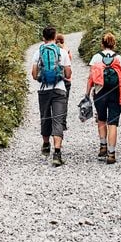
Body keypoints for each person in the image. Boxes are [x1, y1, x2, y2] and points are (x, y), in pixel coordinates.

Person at [32, 25, 72, 167]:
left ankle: (45, 144)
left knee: (45, 116)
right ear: (55, 37)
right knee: (58, 120)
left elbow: (34, 75)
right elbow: (68, 74)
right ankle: (57, 154)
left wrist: (42, 78)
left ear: (43, 38)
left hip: (44, 90)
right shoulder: (62, 52)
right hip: (59, 89)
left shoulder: (38, 52)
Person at [86, 32, 121, 165]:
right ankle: (111, 154)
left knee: (102, 119)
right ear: (113, 44)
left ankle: (103, 146)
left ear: (102, 44)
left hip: (100, 91)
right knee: (113, 123)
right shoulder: (119, 58)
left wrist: (87, 94)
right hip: (115, 92)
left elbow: (91, 78)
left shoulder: (96, 57)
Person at [55, 33, 72, 108]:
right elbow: (69, 63)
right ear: (63, 40)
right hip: (66, 79)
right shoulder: (66, 50)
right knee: (65, 101)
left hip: (56, 79)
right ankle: (63, 117)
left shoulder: (53, 50)